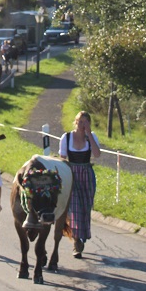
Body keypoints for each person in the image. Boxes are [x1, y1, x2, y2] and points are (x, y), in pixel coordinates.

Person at [58, 111, 101, 259]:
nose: (83, 125)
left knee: (85, 208)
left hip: (86, 175)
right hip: (71, 173)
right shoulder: (67, 137)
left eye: (86, 122)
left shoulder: (91, 137)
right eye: (80, 122)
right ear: (75, 122)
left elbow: (97, 154)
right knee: (74, 208)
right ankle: (76, 241)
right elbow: (62, 158)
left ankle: (82, 237)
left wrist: (89, 134)